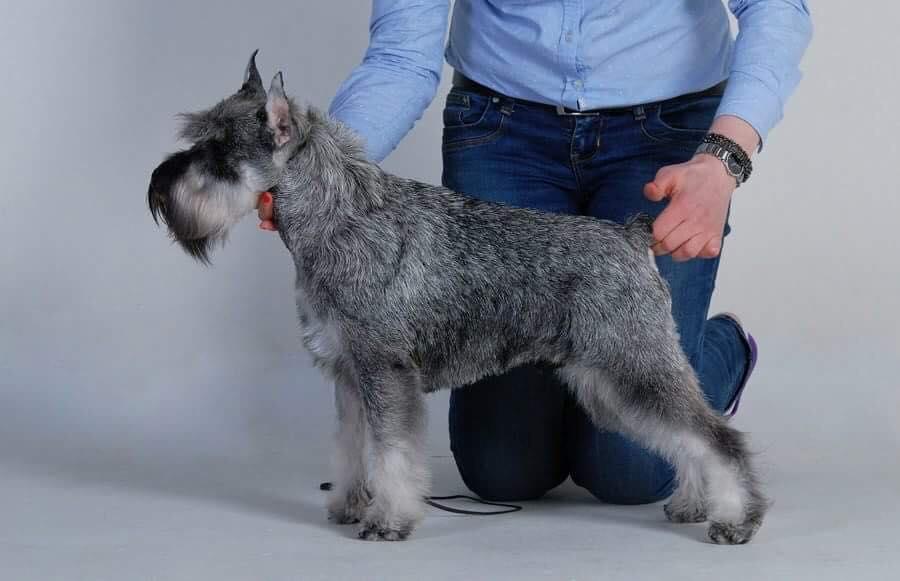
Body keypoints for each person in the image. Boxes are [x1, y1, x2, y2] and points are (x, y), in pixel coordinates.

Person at [258, 1, 812, 504]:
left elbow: (776, 7)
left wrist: (723, 159)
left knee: (631, 472)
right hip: (503, 130)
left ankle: (721, 348)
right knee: (502, 471)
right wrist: (317, 172)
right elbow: (401, 55)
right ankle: (587, 369)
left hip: (666, 134)